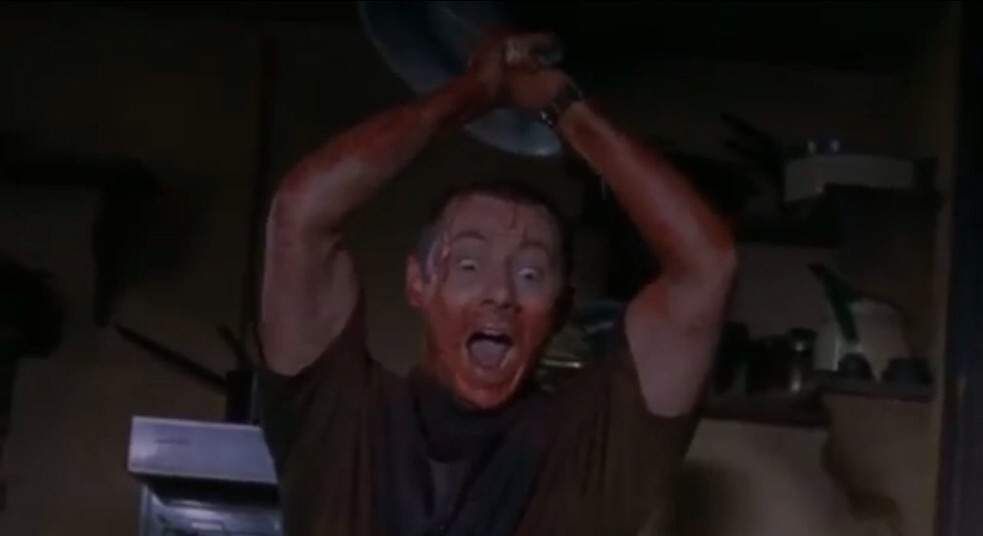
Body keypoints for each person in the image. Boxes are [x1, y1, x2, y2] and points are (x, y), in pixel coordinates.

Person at [258, 31, 736, 536]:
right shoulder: (340, 416)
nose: (501, 293)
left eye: (530, 274)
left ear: (560, 307)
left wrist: (564, 107)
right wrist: (473, 94)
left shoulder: (589, 445)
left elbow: (706, 267)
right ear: (419, 283)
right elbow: (301, 212)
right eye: (468, 265)